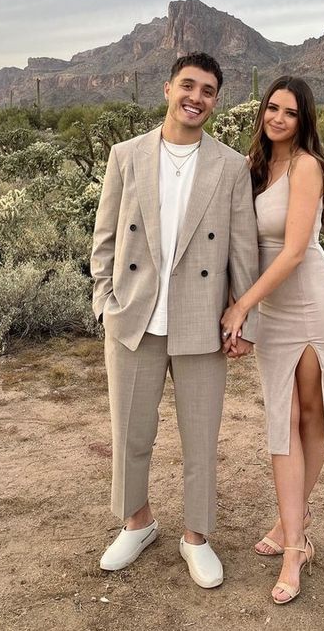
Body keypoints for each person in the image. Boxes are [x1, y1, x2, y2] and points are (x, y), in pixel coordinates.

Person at [90, 51, 259, 589]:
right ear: (167, 89)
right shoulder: (126, 155)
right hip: (134, 318)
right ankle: (136, 523)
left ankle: (197, 536)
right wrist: (104, 302)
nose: (197, 97)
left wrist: (242, 319)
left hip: (200, 322)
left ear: (215, 100)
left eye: (208, 90)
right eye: (188, 85)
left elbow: (243, 252)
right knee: (130, 432)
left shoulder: (230, 166)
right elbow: (105, 239)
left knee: (200, 438)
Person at [220, 75, 324, 604]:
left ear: (303, 120)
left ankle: (293, 539)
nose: (277, 118)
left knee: (310, 413)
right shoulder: (252, 169)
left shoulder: (306, 166)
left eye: (290, 113)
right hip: (271, 310)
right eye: (272, 108)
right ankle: (296, 530)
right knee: (282, 418)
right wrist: (249, 313)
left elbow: (294, 251)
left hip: (311, 305)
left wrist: (242, 306)